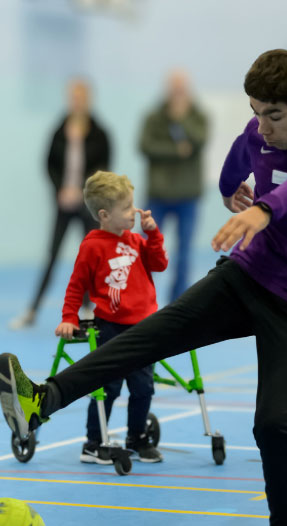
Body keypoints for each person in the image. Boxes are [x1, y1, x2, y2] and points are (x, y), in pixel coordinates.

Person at [0, 49, 287, 526]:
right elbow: (236, 162)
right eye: (256, 111)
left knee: (272, 423)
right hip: (249, 277)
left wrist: (265, 207)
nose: (262, 126)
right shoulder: (257, 131)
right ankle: (41, 400)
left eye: (274, 115)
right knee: (148, 336)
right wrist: (228, 191)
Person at [56, 171, 167, 464]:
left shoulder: (135, 240)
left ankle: (137, 438)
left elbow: (160, 263)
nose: (135, 211)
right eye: (128, 208)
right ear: (104, 215)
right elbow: (76, 284)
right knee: (108, 387)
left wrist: (153, 234)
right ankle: (93, 442)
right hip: (113, 328)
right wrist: (69, 317)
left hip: (144, 327)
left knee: (143, 387)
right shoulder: (92, 246)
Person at [10, 79, 112, 329]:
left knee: (90, 257)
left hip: (87, 203)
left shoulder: (99, 132)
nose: (75, 101)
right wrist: (61, 190)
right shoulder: (59, 129)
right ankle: (32, 309)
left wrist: (81, 190)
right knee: (52, 255)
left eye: (80, 96)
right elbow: (49, 164)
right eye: (72, 96)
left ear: (88, 99)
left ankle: (90, 308)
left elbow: (103, 166)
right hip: (63, 203)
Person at [139, 70, 208, 302]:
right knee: (147, 249)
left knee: (184, 254)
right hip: (157, 195)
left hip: (188, 196)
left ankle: (176, 303)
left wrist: (182, 120)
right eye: (174, 89)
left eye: (181, 90)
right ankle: (140, 296)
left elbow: (200, 140)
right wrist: (177, 151)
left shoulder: (198, 116)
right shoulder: (154, 117)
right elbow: (145, 146)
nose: (177, 94)